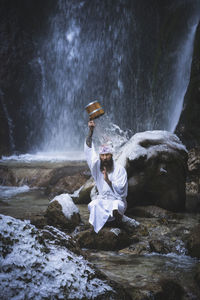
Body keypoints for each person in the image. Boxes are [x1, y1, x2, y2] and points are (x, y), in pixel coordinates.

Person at [84, 120, 128, 233]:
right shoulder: (97, 166)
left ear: (111, 155)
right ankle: (94, 230)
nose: (104, 158)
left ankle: (119, 226)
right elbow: (89, 151)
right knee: (92, 204)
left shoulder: (120, 170)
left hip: (116, 201)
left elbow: (122, 192)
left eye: (107, 155)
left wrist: (108, 181)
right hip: (103, 200)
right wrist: (90, 131)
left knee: (116, 207)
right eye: (102, 155)